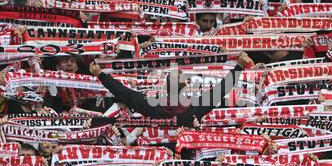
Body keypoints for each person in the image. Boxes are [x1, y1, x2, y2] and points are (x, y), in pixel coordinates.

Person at [89, 52, 254, 127]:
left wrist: (100, 74)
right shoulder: (196, 108)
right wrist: (239, 66)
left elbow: (124, 93)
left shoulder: (150, 106)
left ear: (165, 87)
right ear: (188, 86)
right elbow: (221, 89)